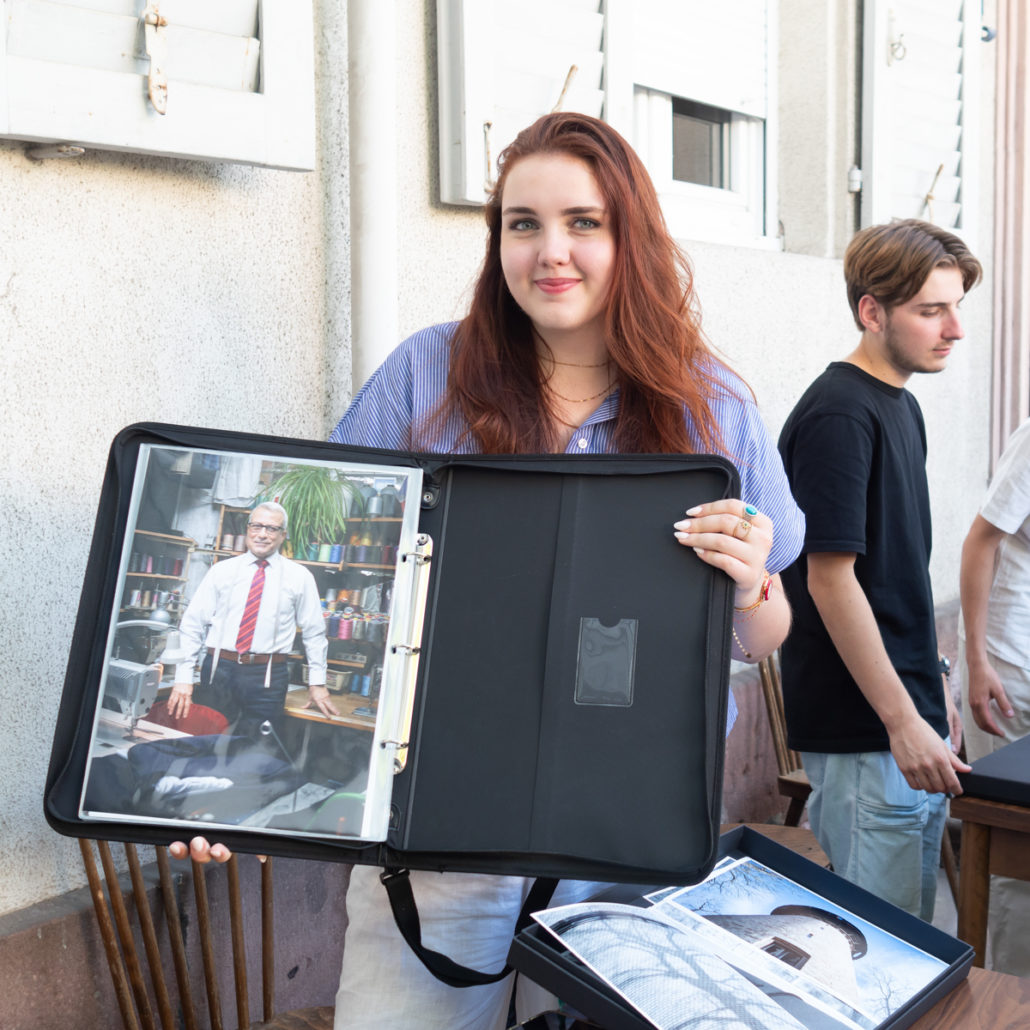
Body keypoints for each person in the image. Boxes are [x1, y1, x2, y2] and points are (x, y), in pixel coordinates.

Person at [173, 112, 805, 1028]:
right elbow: (326, 544)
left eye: (584, 222)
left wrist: (749, 584)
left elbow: (761, 636)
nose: (551, 251)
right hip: (438, 831)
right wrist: (234, 791)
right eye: (523, 223)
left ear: (631, 236)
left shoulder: (711, 404)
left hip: (623, 834)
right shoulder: (426, 371)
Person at [777, 218, 982, 922]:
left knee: (913, 940)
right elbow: (829, 580)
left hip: (908, 719)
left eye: (957, 307)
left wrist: (935, 690)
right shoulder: (839, 415)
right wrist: (902, 720)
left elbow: (898, 580)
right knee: (879, 953)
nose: (954, 329)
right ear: (872, 311)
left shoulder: (901, 405)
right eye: (931, 310)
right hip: (869, 735)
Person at [957, 416, 1030, 975]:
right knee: (1014, 851)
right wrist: (977, 661)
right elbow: (981, 540)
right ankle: (1009, 1000)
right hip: (1008, 663)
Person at [167, 501, 338, 733]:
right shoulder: (221, 571)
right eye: (257, 526)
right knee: (207, 741)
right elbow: (192, 625)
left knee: (256, 747)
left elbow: (314, 633)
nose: (262, 534)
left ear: (283, 535)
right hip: (218, 670)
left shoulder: (300, 577)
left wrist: (317, 683)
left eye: (272, 528)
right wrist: (183, 676)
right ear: (248, 529)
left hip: (268, 676)